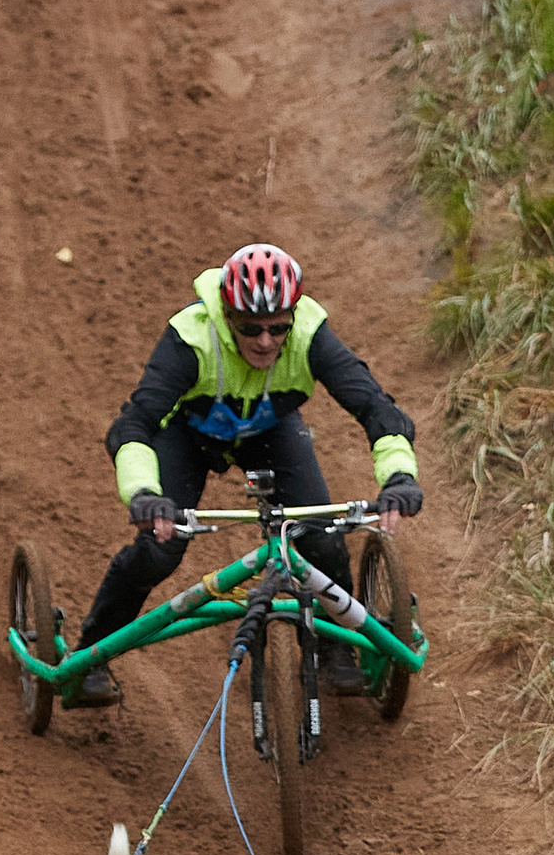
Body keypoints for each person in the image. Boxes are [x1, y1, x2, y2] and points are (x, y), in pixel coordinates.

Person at [66, 243, 424, 706]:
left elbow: (376, 407)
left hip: (270, 432)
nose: (265, 341)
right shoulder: (191, 337)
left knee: (320, 537)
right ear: (227, 315)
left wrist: (399, 476)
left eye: (278, 328)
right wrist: (144, 494)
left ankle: (333, 652)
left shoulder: (310, 334)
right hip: (187, 436)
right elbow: (134, 425)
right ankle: (92, 652)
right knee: (160, 551)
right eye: (249, 328)